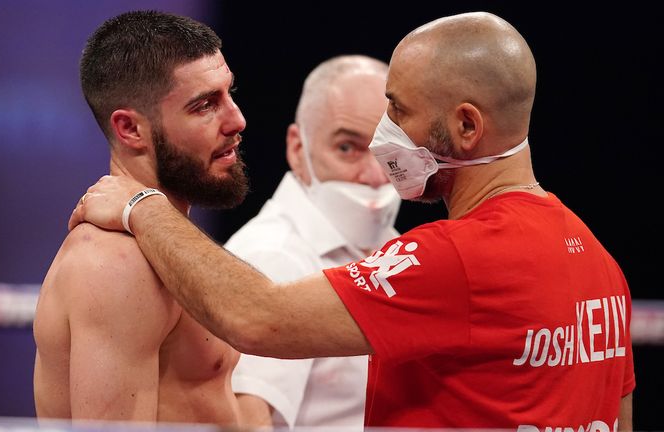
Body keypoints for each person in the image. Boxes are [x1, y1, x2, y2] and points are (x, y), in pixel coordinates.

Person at [70, 12, 635, 430]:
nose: (385, 135)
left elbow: (257, 317)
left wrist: (139, 206)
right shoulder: (600, 264)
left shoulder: (455, 257)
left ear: (466, 127)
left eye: (401, 109)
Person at [32, 10, 249, 424]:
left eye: (229, 93)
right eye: (205, 105)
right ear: (130, 129)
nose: (237, 120)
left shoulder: (165, 241)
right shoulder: (119, 266)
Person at [227, 55, 400, 429]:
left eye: (387, 152)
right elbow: (246, 424)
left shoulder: (396, 248)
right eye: (347, 148)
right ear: (297, 148)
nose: (373, 175)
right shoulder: (270, 259)